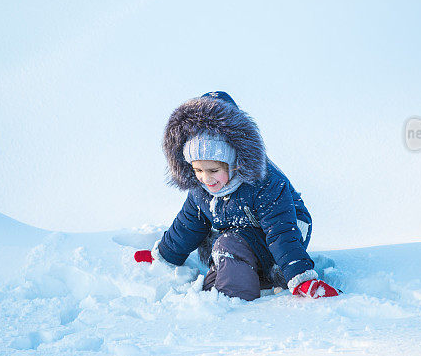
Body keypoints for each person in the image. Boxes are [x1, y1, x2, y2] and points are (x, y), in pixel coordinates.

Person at [133, 91, 338, 301]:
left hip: (285, 234)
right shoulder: (201, 189)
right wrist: (163, 256)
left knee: (228, 245)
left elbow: (281, 232)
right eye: (198, 170)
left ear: (234, 162)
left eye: (213, 171)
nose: (206, 179)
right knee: (219, 252)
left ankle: (234, 302)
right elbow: (187, 226)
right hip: (240, 238)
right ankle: (219, 292)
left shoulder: (264, 182)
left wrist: (301, 278)